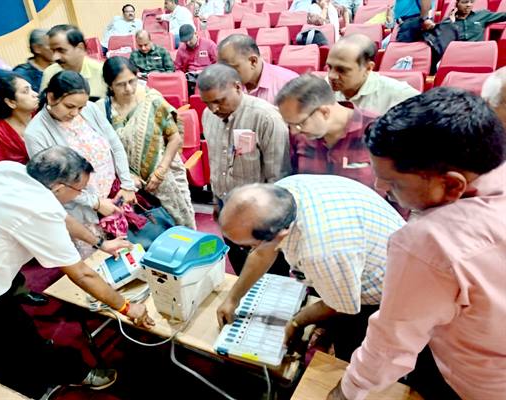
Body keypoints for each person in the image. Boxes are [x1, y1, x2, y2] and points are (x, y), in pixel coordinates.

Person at [0, 146, 154, 398]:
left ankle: (25, 369)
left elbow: (61, 217)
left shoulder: (11, 170)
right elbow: (81, 274)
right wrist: (127, 308)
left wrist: (100, 243)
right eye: (80, 190)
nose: (82, 194)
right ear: (58, 188)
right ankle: (29, 387)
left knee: (5, 335)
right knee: (2, 344)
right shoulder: (37, 208)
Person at [328, 88, 506, 400]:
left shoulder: (428, 242)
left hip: (479, 381)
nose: (379, 187)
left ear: (452, 184)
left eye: (393, 182)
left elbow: (391, 342)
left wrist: (348, 391)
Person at [216, 175, 405, 362]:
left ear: (281, 234)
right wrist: (233, 298)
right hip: (366, 251)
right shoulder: (282, 193)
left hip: (387, 291)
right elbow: (263, 251)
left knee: (351, 355)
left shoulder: (320, 252)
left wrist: (297, 322)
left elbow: (340, 305)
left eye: (248, 246)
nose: (249, 251)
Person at [26, 71, 137, 257]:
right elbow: (54, 183)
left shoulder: (90, 110)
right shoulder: (35, 133)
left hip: (114, 194)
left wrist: (126, 184)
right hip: (81, 210)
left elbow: (115, 144)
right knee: (97, 259)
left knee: (127, 250)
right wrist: (96, 203)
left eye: (80, 107)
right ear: (51, 97)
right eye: (69, 106)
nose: (75, 113)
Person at [199, 63, 291, 275]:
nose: (213, 109)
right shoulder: (208, 115)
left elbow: (278, 177)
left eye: (219, 101)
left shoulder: (266, 117)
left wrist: (269, 226)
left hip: (260, 213)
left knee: (270, 273)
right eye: (207, 103)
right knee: (240, 264)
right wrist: (217, 201)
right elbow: (216, 162)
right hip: (227, 207)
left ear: (238, 87)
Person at [98, 57, 196, 228]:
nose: (128, 89)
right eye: (121, 84)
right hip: (130, 185)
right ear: (109, 85)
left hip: (165, 178)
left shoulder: (151, 100)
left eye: (132, 81)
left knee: (181, 224)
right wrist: (128, 178)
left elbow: (174, 138)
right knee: (148, 231)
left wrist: (160, 172)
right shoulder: (102, 110)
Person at [275, 75, 378, 188]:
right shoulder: (300, 135)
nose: (294, 131)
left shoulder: (376, 130)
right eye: (290, 125)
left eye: (300, 124)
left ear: (324, 112)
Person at [327, 34, 419, 114]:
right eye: (330, 67)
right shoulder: (323, 87)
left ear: (368, 68)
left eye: (342, 70)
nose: (331, 76)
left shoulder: (400, 95)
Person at [218, 34, 298, 105]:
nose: (226, 74)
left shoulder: (288, 84)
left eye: (232, 68)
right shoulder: (224, 84)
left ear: (253, 61)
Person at [40, 24, 106, 100]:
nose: (55, 57)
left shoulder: (102, 72)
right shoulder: (50, 72)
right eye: (52, 51)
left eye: (61, 50)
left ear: (80, 48)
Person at [0, 72, 39, 165]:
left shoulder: (42, 115)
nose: (36, 94)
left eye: (32, 89)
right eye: (26, 91)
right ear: (11, 102)